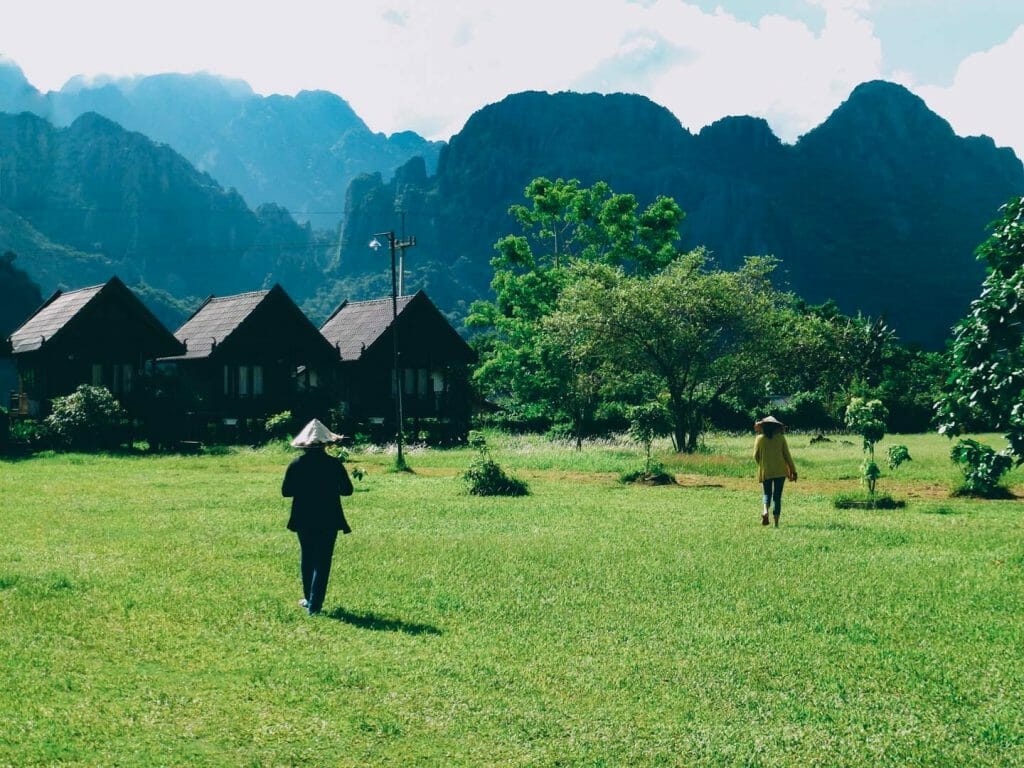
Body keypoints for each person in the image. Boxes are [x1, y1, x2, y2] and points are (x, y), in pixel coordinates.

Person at [282, 418, 353, 615]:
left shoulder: (296, 464)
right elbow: (347, 490)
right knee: (322, 561)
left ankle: (308, 598)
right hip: (329, 518)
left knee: (307, 557)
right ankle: (315, 605)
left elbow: (286, 491)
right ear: (326, 444)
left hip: (303, 517)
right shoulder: (334, 464)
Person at [753, 415, 797, 527]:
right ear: (776, 427)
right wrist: (793, 470)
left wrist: (762, 465)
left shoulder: (759, 439)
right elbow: (787, 456)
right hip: (780, 471)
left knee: (767, 493)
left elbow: (755, 456)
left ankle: (765, 511)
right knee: (777, 497)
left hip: (766, 471)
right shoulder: (781, 438)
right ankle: (776, 524)